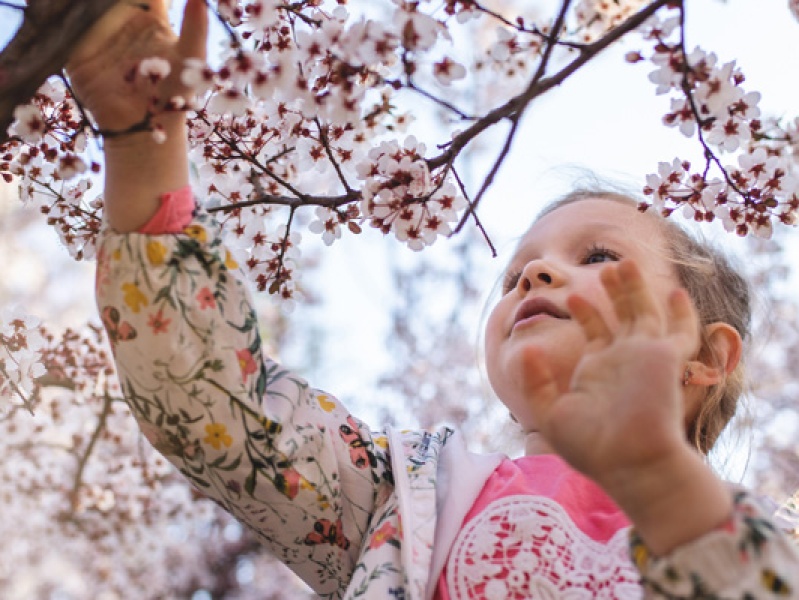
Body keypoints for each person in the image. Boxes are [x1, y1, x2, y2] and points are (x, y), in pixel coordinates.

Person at [68, 0, 799, 597]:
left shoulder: (777, 541)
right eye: (517, 272)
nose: (534, 278)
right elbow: (214, 404)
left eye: (597, 257)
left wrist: (662, 484)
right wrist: (141, 148)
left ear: (704, 355)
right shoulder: (408, 499)